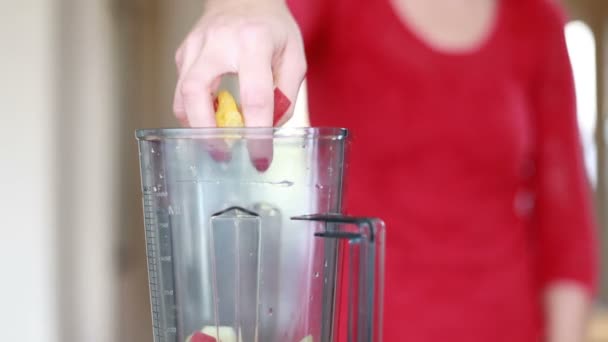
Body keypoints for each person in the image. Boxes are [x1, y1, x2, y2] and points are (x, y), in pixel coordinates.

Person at [172, 0, 599, 341]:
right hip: (359, 326)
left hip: (508, 326)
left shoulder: (538, 23)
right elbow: (268, 13)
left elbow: (567, 232)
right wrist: (241, 8)